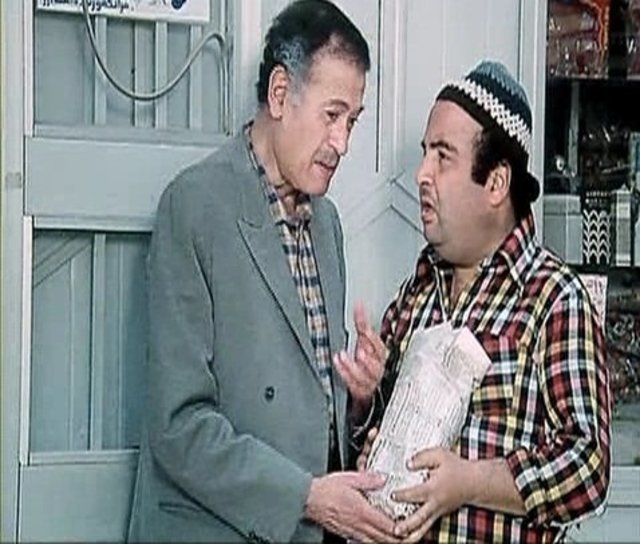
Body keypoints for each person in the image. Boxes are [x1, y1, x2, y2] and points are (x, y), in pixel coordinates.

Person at [126, 1, 396, 542]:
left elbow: (312, 412)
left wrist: (362, 398)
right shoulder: (194, 206)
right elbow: (178, 426)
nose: (342, 143)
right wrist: (305, 498)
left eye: (352, 121)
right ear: (279, 94)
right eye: (332, 115)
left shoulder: (328, 224)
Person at [357, 60, 611, 542]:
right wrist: (365, 403)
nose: (421, 174)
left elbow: (588, 468)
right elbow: (373, 443)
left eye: (443, 157)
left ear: (496, 183)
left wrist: (471, 482)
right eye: (425, 154)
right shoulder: (416, 294)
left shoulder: (554, 300)